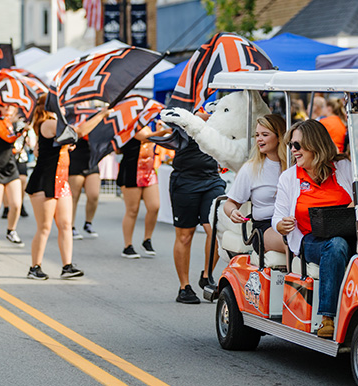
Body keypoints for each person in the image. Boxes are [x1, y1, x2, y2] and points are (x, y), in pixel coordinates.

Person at [272, 119, 353, 338]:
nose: (293, 151)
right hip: (311, 240)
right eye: (291, 145)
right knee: (336, 245)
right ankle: (328, 317)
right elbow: (277, 218)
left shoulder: (343, 168)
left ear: (314, 144)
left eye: (297, 145)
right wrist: (281, 225)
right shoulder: (289, 177)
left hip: (352, 235)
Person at [25, 95, 111, 280]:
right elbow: (78, 131)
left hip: (60, 181)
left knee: (65, 225)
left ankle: (67, 266)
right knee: (45, 227)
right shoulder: (48, 123)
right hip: (44, 181)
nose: (64, 109)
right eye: (61, 106)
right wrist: (101, 114)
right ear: (51, 108)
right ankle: (35, 267)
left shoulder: (54, 125)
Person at [170, 114, 226, 304]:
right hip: (185, 180)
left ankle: (207, 275)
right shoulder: (182, 110)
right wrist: (198, 116)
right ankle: (184, 287)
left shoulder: (219, 115)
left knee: (216, 228)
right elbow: (171, 121)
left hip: (212, 179)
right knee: (185, 236)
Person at [223, 113, 287, 254]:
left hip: (292, 223)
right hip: (265, 227)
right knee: (290, 241)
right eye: (257, 135)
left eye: (265, 134)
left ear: (279, 137)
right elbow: (230, 203)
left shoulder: (295, 166)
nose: (259, 139)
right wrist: (233, 212)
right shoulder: (251, 168)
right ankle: (291, 276)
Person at [117, 122, 170, 258]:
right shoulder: (130, 125)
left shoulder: (147, 126)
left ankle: (147, 239)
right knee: (132, 209)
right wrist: (163, 132)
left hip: (148, 171)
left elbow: (155, 140)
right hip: (131, 170)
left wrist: (159, 130)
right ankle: (127, 245)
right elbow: (146, 138)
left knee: (154, 206)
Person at [0, 104, 26, 249]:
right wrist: (19, 132)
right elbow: (8, 138)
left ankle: (11, 230)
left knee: (16, 204)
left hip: (10, 166)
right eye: (5, 106)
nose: (8, 108)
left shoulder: (15, 123)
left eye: (11, 106)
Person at [68, 137, 101, 240]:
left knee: (94, 195)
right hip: (75, 158)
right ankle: (71, 226)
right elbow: (80, 131)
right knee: (74, 196)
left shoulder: (94, 120)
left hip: (91, 160)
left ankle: (88, 223)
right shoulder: (73, 120)